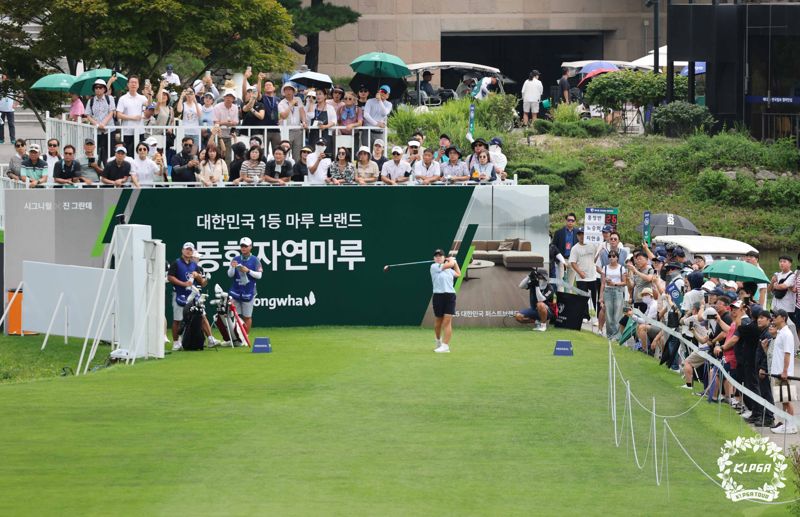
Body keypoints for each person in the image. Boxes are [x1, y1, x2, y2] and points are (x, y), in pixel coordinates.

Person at [167, 243, 217, 351]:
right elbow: (170, 277)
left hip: (193, 294)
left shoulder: (195, 266)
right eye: (186, 249)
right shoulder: (176, 263)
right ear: (182, 250)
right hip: (179, 294)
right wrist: (183, 284)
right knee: (178, 319)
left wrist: (198, 275)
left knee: (201, 316)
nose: (188, 251)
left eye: (190, 250)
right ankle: (176, 342)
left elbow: (202, 283)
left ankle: (210, 339)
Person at [228, 237, 263, 334]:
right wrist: (232, 267)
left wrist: (248, 271)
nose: (243, 248)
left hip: (249, 292)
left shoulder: (255, 260)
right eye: (242, 246)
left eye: (246, 246)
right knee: (235, 316)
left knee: (247, 316)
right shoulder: (235, 259)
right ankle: (237, 338)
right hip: (236, 291)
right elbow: (230, 274)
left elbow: (259, 275)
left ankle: (245, 337)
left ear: (250, 247)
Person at [771, 309, 797, 434]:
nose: (773, 318)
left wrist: (785, 371)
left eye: (775, 316)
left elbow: (788, 353)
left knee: (787, 399)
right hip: (778, 372)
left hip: (784, 373)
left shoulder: (787, 334)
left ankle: (791, 425)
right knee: (782, 399)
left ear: (783, 318)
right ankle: (787, 423)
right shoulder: (780, 333)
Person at [431, 249, 460, 353]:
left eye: (440, 256)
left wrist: (455, 263)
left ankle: (445, 346)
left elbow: (458, 273)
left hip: (450, 296)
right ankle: (438, 340)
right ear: (434, 259)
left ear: (444, 258)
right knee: (438, 321)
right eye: (436, 256)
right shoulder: (434, 267)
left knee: (447, 321)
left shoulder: (449, 269)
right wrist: (452, 261)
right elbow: (449, 264)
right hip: (438, 296)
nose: (438, 257)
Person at [569, 227, 599, 323]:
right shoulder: (575, 248)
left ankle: (597, 316)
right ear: (577, 236)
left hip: (593, 275)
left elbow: (597, 255)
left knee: (595, 297)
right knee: (582, 297)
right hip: (581, 277)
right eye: (580, 234)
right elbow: (573, 262)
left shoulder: (593, 245)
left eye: (584, 234)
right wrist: (580, 272)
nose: (582, 236)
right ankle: (585, 315)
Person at [84, 79, 116, 160]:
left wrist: (103, 124)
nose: (98, 89)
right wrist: (98, 125)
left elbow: (111, 112)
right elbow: (88, 115)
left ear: (104, 89)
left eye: (100, 87)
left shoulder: (110, 99)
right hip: (97, 131)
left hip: (109, 130)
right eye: (96, 87)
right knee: (98, 152)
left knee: (110, 152)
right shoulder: (90, 101)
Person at [115, 76, 148, 154]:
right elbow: (118, 115)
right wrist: (133, 118)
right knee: (128, 154)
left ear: (138, 85)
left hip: (140, 130)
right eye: (132, 82)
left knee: (140, 154)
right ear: (128, 84)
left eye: (135, 82)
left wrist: (149, 95)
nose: (133, 84)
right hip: (127, 131)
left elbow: (149, 107)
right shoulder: (123, 98)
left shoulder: (142, 98)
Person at [600, 250, 627, 339]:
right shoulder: (605, 268)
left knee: (617, 314)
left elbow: (624, 282)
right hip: (607, 291)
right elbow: (603, 283)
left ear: (617, 258)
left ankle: (617, 335)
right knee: (608, 314)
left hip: (618, 291)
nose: (611, 258)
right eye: (610, 256)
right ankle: (610, 335)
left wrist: (615, 284)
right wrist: (601, 297)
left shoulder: (621, 268)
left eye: (613, 256)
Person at [278, 83, 308, 162]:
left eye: (290, 89)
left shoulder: (298, 99)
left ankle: (296, 172)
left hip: (298, 130)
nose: (288, 91)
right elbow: (283, 115)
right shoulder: (281, 103)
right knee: (285, 152)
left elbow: (302, 112)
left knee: (298, 153)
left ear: (293, 91)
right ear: (283, 92)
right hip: (287, 131)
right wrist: (291, 104)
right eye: (286, 90)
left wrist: (304, 121)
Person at [213, 89, 239, 163]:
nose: (228, 98)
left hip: (229, 135)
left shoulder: (235, 107)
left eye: (231, 96)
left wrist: (230, 123)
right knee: (216, 156)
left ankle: (226, 174)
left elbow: (236, 122)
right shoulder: (217, 107)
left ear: (233, 99)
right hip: (218, 135)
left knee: (228, 158)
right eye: (227, 96)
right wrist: (225, 123)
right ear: (224, 97)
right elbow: (215, 122)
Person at [552, 213, 578, 283]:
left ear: (575, 222)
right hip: (561, 259)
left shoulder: (578, 233)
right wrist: (557, 259)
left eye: (572, 220)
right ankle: (560, 294)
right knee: (560, 282)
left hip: (573, 260)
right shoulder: (558, 233)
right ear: (566, 221)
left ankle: (569, 294)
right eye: (569, 220)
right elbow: (553, 246)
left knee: (570, 283)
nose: (570, 222)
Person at [770, 255, 796, 321]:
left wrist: (775, 285)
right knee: (774, 325)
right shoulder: (777, 274)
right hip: (775, 306)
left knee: (787, 327)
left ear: (790, 264)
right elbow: (769, 289)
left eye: (784, 261)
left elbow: (783, 286)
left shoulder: (792, 276)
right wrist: (772, 282)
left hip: (787, 308)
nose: (781, 263)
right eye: (780, 261)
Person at [0, 78, 18, 143]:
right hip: (1, 109)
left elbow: (18, 94)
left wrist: (16, 103)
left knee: (11, 124)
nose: (6, 78)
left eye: (7, 77)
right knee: (1, 125)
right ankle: (1, 139)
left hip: (10, 109)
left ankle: (13, 139)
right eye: (4, 77)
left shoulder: (12, 86)